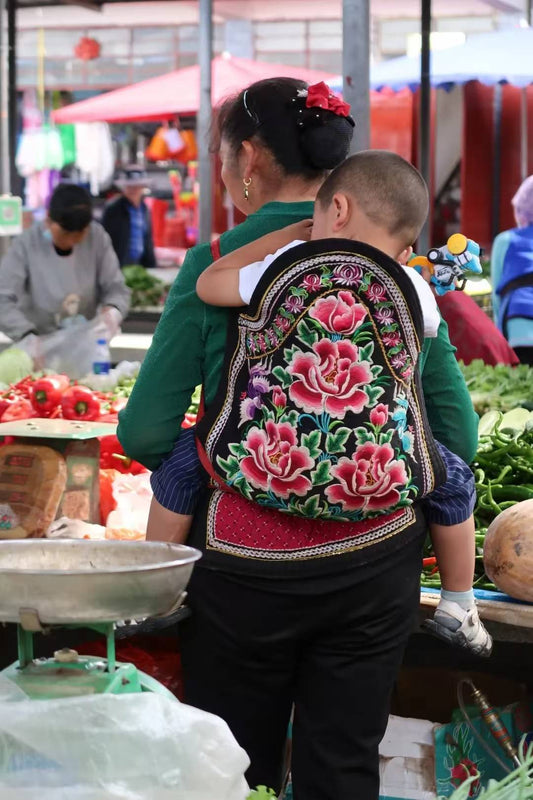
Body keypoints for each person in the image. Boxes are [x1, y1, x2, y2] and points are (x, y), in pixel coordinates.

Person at [118, 78, 479, 800]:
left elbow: (146, 431)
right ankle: (462, 607)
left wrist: (241, 465)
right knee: (342, 767)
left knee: (231, 770)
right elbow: (457, 432)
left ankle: (157, 595)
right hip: (374, 566)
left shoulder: (239, 260)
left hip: (239, 566)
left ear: (248, 157)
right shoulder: (407, 282)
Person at [148, 151, 491, 659]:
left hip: (264, 455)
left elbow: (209, 283)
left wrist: (286, 239)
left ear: (338, 209)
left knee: (179, 469)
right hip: (377, 470)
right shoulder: (417, 289)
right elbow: (431, 367)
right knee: (456, 479)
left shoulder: (280, 268)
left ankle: (158, 591)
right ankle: (458, 604)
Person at [0, 183, 130, 342]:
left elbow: (116, 288)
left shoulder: (97, 238)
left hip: (86, 343)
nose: (71, 241)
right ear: (48, 220)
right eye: (66, 233)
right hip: (39, 344)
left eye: (79, 234)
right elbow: (2, 298)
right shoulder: (26, 244)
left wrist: (112, 312)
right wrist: (26, 335)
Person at [492, 174, 533, 364]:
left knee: (522, 386)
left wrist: (500, 334)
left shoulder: (505, 240)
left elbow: (497, 295)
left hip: (519, 323)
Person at [101, 165, 157, 269]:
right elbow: (104, 239)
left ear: (142, 187)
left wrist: (152, 265)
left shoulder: (144, 209)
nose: (133, 190)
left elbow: (147, 239)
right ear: (124, 188)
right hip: (118, 265)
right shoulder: (113, 209)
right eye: (130, 186)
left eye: (137, 186)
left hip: (139, 265)